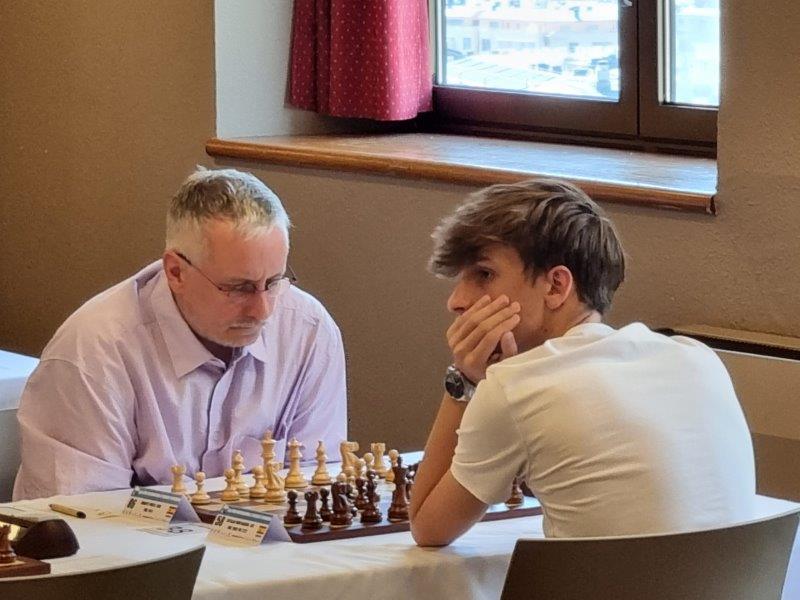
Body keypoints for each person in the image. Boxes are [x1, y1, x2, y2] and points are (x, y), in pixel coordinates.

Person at [409, 179, 755, 546]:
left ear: (556, 286)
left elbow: (427, 528)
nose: (457, 301)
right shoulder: (698, 358)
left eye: (484, 275)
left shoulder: (518, 387)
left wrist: (464, 381)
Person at [13, 168, 347, 500]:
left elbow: (313, 492)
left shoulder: (308, 331)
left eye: (273, 283)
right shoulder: (93, 351)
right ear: (176, 272)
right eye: (238, 288)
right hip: (125, 535)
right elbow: (79, 517)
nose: (262, 310)